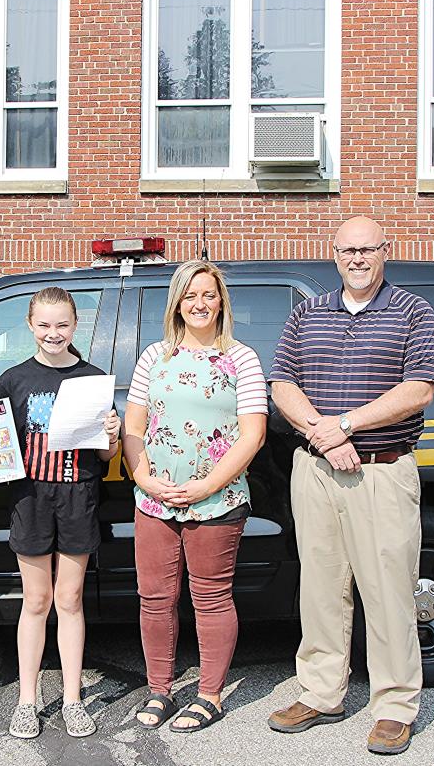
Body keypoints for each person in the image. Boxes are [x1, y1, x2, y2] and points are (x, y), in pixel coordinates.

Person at [267, 216, 434, 755]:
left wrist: (347, 425)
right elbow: (283, 383)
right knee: (321, 589)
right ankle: (322, 694)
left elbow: (420, 389)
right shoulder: (309, 313)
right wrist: (324, 437)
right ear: (335, 254)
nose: (357, 259)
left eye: (367, 249)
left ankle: (394, 706)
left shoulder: (414, 312)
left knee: (389, 591)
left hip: (382, 470)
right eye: (348, 250)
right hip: (316, 468)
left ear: (385, 251)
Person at [0, 287, 120, 739]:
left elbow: (105, 459)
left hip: (78, 498)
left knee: (70, 601)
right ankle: (27, 700)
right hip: (29, 501)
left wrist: (112, 435)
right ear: (30, 325)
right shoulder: (13, 380)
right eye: (44, 325)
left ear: (74, 326)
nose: (53, 333)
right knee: (37, 601)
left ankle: (72, 699)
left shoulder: (93, 378)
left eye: (62, 325)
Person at [122, 260, 268, 733]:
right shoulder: (154, 356)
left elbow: (253, 435)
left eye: (208, 295)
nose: (200, 304)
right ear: (177, 304)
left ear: (221, 300)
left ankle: (209, 694)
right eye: (190, 296)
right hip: (155, 500)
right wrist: (143, 478)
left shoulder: (242, 359)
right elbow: (134, 427)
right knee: (155, 598)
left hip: (217, 501)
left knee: (210, 597)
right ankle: (159, 690)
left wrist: (207, 485)